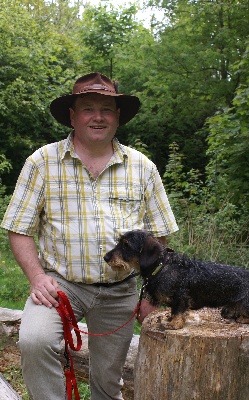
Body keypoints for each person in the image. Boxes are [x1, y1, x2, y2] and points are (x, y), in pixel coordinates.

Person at [1, 72, 178, 400]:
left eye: (107, 109)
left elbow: (161, 239)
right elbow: (18, 228)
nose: (98, 117)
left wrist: (152, 293)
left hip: (120, 291)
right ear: (72, 115)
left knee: (107, 383)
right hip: (60, 285)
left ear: (118, 117)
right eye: (88, 108)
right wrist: (37, 278)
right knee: (34, 340)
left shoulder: (142, 167)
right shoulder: (42, 162)